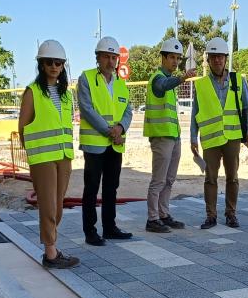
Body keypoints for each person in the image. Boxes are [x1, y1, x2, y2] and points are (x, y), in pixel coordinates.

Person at [18, 40, 79, 269]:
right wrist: (34, 152)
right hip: (43, 159)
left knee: (58, 205)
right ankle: (50, 252)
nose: (54, 66)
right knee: (48, 205)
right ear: (42, 65)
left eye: (58, 63)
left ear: (63, 66)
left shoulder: (65, 95)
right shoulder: (32, 92)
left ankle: (52, 246)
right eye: (49, 62)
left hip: (63, 156)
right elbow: (22, 128)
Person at [190, 37, 248, 229]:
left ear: (226, 59)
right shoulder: (200, 85)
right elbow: (195, 113)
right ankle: (211, 216)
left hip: (232, 137)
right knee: (210, 178)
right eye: (214, 57)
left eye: (221, 57)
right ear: (208, 60)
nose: (218, 60)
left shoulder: (237, 80)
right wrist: (193, 137)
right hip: (210, 139)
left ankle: (231, 214)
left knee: (232, 177)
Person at [77, 36, 134, 245]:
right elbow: (87, 109)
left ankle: (109, 227)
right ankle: (90, 231)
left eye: (114, 58)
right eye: (107, 57)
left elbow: (128, 110)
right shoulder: (87, 78)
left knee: (111, 188)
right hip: (95, 145)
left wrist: (120, 128)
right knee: (91, 188)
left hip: (115, 145)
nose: (111, 62)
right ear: (98, 58)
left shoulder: (120, 84)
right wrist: (109, 131)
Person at [144, 37, 196, 233]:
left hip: (173, 137)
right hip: (161, 137)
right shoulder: (157, 78)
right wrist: (182, 78)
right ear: (163, 58)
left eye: (177, 58)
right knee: (158, 180)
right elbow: (163, 86)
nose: (175, 61)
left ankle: (163, 214)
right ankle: (152, 219)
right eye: (171, 57)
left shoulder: (170, 81)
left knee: (169, 179)